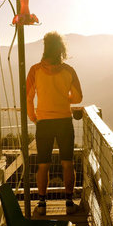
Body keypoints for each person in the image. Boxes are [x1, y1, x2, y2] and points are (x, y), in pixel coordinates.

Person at [26, 31, 83, 215]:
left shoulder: (35, 70)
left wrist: (33, 116)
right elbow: (78, 97)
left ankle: (42, 205)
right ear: (61, 48)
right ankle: (68, 203)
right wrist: (64, 98)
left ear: (45, 47)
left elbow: (28, 97)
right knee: (68, 163)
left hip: (44, 122)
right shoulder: (69, 71)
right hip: (64, 121)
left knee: (43, 165)